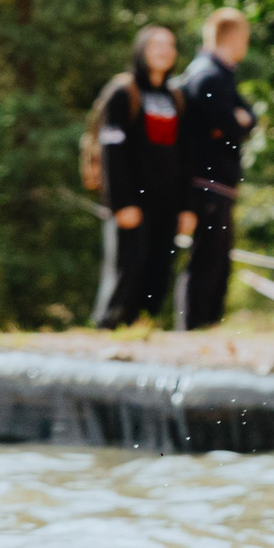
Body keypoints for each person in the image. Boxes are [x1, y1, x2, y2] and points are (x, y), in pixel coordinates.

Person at [88, 25, 184, 330]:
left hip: (166, 200)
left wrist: (186, 206)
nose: (164, 50)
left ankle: (143, 325)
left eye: (170, 45)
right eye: (157, 44)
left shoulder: (175, 96)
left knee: (159, 266)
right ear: (141, 50)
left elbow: (184, 154)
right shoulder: (123, 92)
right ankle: (111, 324)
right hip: (131, 199)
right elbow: (111, 151)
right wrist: (121, 202)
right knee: (127, 265)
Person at [176, 9, 257, 331]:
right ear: (234, 37)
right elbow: (233, 124)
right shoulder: (207, 76)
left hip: (217, 180)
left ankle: (206, 322)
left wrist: (240, 120)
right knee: (206, 258)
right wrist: (235, 122)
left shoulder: (219, 74)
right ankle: (194, 324)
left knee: (218, 258)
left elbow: (248, 118)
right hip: (206, 180)